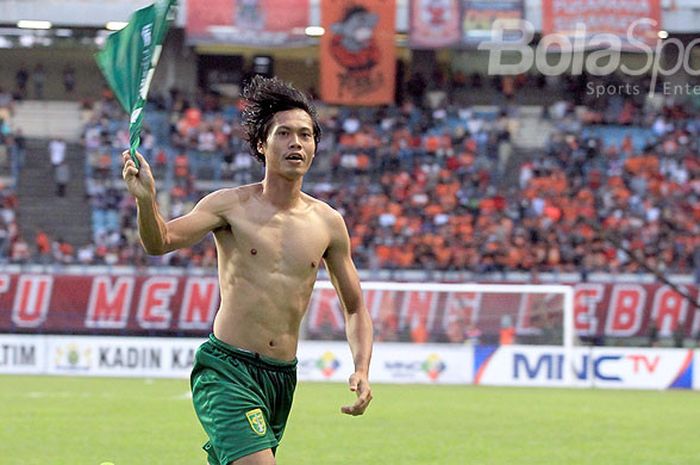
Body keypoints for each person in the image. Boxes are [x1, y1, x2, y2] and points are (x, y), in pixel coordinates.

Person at [122, 75, 373, 465]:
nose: (297, 143)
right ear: (261, 144)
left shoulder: (328, 223)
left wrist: (362, 369)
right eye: (285, 134)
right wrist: (146, 200)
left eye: (306, 136)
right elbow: (161, 242)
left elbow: (354, 306)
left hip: (281, 379)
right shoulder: (228, 206)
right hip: (226, 369)